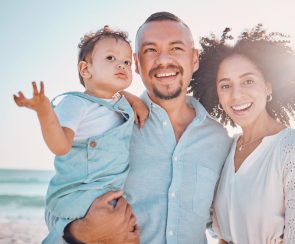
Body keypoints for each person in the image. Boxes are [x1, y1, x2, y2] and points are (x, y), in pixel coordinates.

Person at [63, 12, 232, 244]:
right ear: (136, 62)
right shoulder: (108, 123)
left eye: (176, 48)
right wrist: (81, 233)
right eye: (150, 50)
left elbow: (221, 222)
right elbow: (61, 203)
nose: (164, 60)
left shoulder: (219, 138)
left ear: (194, 59)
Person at [189, 25, 295, 243]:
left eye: (248, 81)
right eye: (225, 85)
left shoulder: (293, 149)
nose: (237, 95)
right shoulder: (227, 151)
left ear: (268, 86)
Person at [13, 26, 148, 243]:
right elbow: (60, 146)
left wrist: (136, 101)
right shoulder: (75, 103)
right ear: (86, 70)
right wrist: (44, 112)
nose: (122, 65)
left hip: (107, 194)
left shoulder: (120, 102)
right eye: (111, 58)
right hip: (79, 196)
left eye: (127, 62)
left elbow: (116, 94)